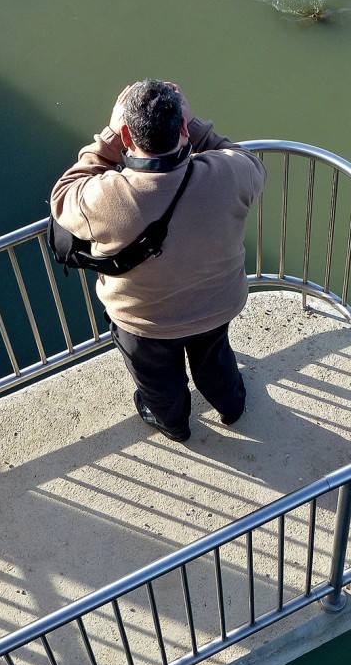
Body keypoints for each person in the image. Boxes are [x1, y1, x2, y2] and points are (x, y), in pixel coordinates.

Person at [50, 80, 267, 442]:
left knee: (158, 381)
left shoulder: (105, 198)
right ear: (182, 127)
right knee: (215, 360)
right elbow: (246, 161)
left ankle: (174, 425)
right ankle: (232, 406)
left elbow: (62, 196)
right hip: (217, 304)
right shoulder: (230, 175)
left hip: (143, 321)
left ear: (126, 134)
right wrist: (196, 126)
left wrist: (108, 140)